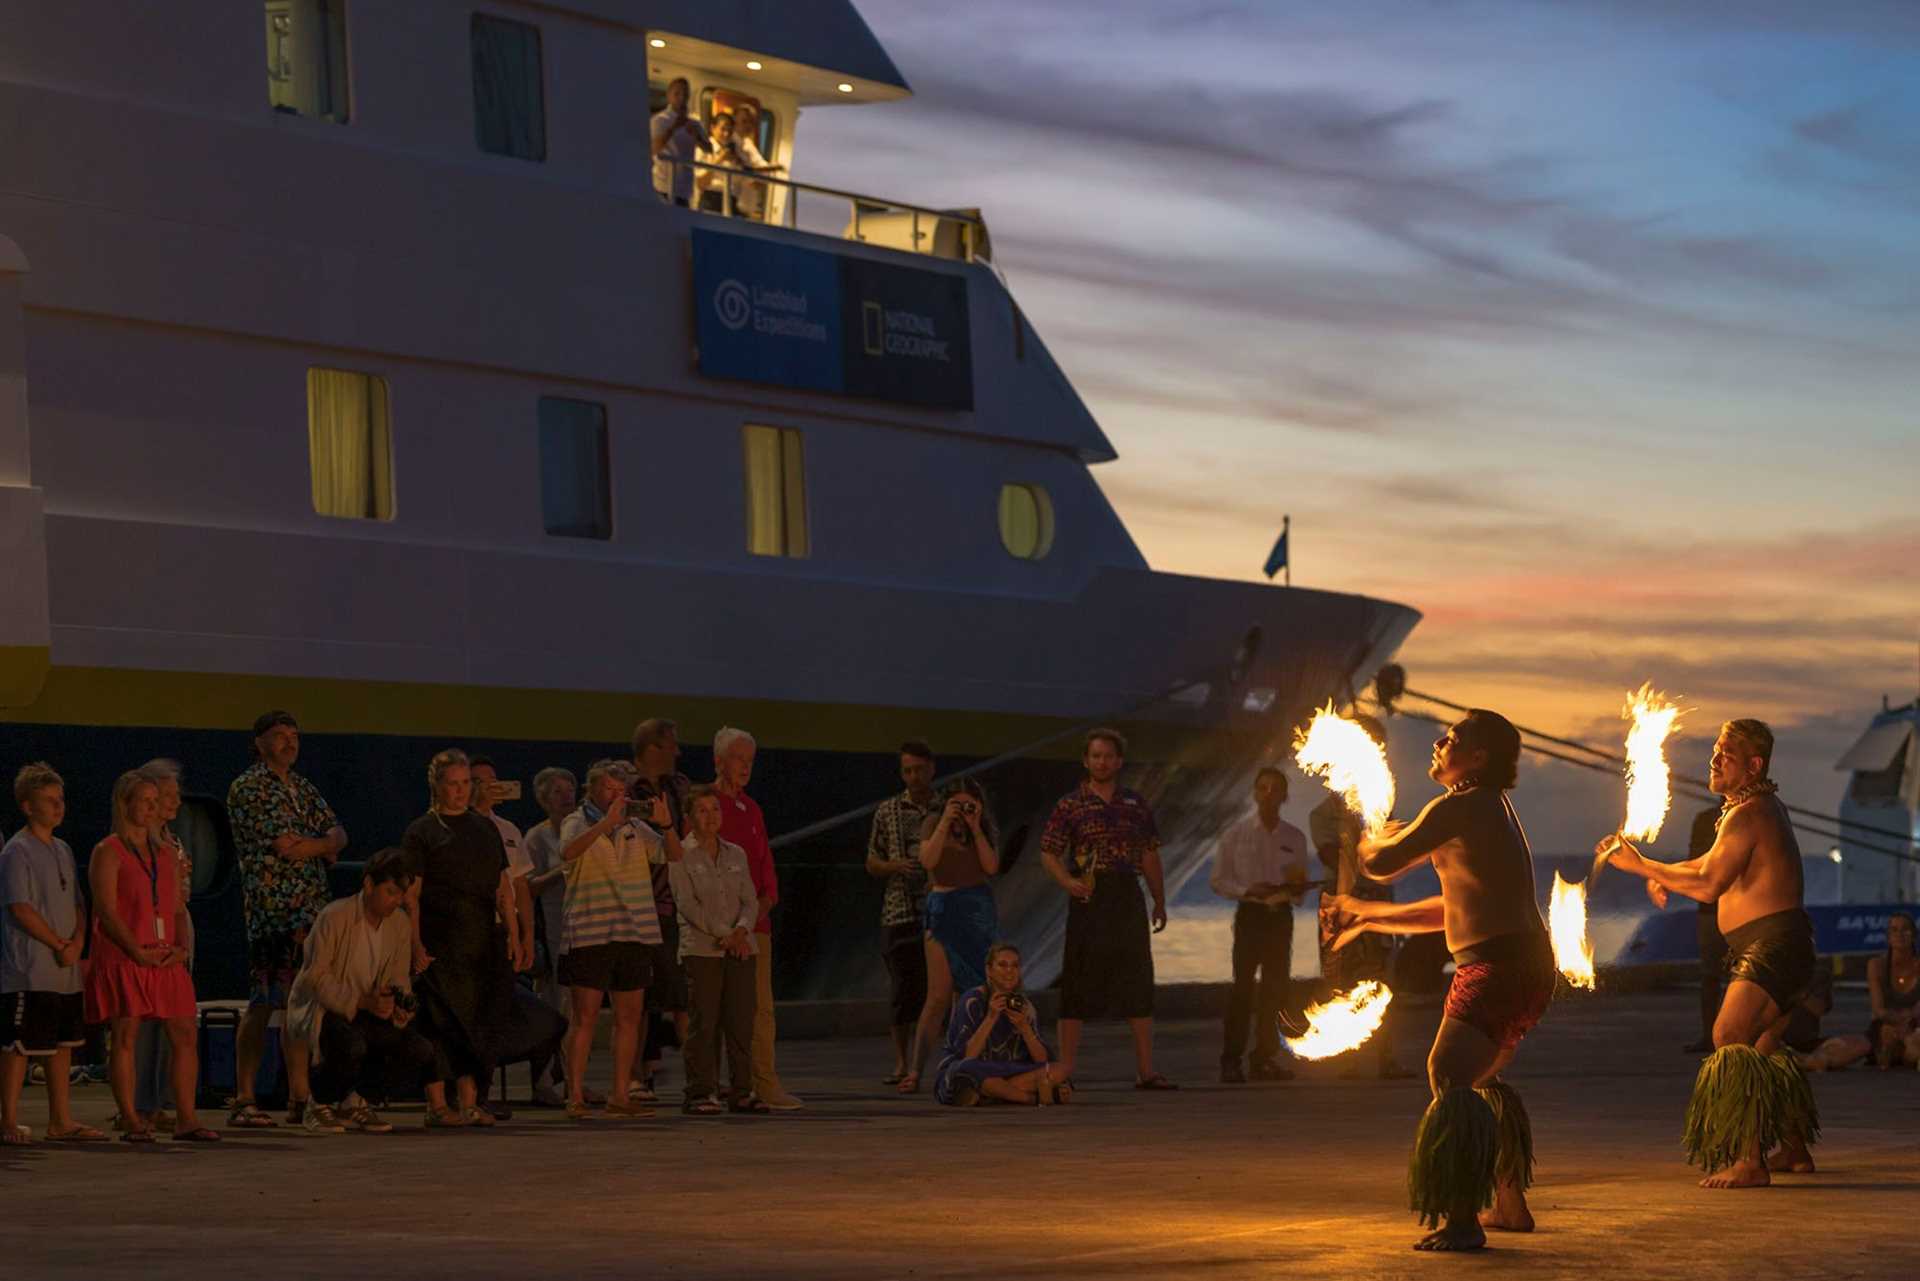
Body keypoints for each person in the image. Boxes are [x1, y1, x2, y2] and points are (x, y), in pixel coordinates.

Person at [1323, 710, 1550, 1251]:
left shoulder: (1463, 805)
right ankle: (1509, 1203)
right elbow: (1450, 910)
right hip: (1519, 964)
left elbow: (1383, 865)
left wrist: (1365, 834)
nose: (1439, 741)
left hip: (1498, 967)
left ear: (1477, 758)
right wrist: (1366, 915)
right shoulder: (1486, 808)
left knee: (1446, 1072)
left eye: (1453, 737)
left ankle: (1464, 1220)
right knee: (1477, 1078)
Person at [1600, 718, 1821, 1187]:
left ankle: (1748, 1160)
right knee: (1763, 1047)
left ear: (1754, 765)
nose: (1715, 759)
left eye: (1727, 754)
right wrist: (1657, 872)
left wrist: (1641, 865)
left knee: (1728, 1033)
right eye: (1716, 750)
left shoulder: (1750, 812)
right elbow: (1705, 866)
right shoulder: (1751, 810)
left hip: (1772, 946)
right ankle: (1794, 1150)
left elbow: (1707, 885)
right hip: (1781, 944)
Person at [224, 710, 346, 1128]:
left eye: (294, 735)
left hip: (312, 911)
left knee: (302, 1004)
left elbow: (338, 835)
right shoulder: (249, 788)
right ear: (259, 742)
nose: (289, 743)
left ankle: (300, 1096)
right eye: (279, 736)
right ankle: (244, 1096)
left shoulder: (303, 787)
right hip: (274, 913)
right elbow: (286, 847)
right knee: (263, 1004)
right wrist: (321, 845)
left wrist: (318, 843)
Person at [85, 771, 220, 1142]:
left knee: (184, 1031)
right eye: (144, 800)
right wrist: (135, 951)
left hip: (164, 957)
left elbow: (177, 907)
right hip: (128, 955)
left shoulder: (165, 853)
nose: (151, 806)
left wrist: (179, 947)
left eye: (153, 800)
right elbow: (106, 910)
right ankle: (130, 1116)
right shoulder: (107, 851)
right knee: (126, 1033)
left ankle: (186, 1118)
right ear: (124, 803)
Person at [1038, 728, 1173, 1089]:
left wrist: (1159, 899)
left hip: (1127, 894)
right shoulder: (1070, 805)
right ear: (1086, 761)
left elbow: (1149, 852)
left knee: (1138, 979)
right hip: (1088, 895)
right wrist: (1067, 882)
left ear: (1120, 761)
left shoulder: (1136, 804)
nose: (1102, 762)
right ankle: (1066, 1069)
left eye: (1109, 756)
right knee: (1078, 979)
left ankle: (1145, 1070)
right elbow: (1048, 851)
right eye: (1096, 756)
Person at [557, 760, 680, 1120]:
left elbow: (673, 855)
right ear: (591, 789)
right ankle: (575, 1095)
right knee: (585, 1017)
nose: (616, 794)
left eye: (620, 789)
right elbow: (567, 853)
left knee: (629, 1016)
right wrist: (605, 824)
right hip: (591, 932)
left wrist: (667, 823)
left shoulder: (635, 827)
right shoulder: (576, 822)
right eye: (609, 788)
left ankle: (620, 1093)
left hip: (632, 931)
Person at [401, 748, 518, 1128]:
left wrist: (513, 934)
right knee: (438, 1025)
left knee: (478, 1023)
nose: (460, 791)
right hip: (439, 943)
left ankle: (470, 1102)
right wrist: (415, 945)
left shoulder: (485, 828)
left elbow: (504, 888)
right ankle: (437, 1105)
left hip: (481, 941)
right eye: (452, 784)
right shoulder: (422, 832)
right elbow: (411, 897)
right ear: (437, 786)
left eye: (466, 783)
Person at [286, 848, 440, 1134]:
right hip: (328, 1010)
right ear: (369, 884)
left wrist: (399, 1006)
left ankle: (357, 1100)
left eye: (400, 895)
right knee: (349, 1044)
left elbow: (397, 976)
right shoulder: (335, 916)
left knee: (419, 1050)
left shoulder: (399, 924)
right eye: (390, 892)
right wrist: (360, 1001)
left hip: (368, 1012)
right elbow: (315, 978)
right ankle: (318, 1102)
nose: (395, 902)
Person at [1, 763, 107, 1144]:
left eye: (60, 799)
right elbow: (20, 907)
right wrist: (58, 944)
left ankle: (60, 1119)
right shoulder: (16, 851)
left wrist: (77, 943)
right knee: (20, 1044)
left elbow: (79, 902)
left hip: (64, 969)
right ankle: (8, 1120)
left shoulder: (62, 849)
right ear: (27, 806)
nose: (59, 807)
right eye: (49, 800)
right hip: (29, 969)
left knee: (62, 1044)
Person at [1311, 714, 1410, 1080]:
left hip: (1379, 898)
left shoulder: (1382, 807)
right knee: (1340, 978)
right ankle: (1347, 1058)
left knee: (1385, 977)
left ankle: (1386, 1057)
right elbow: (1331, 858)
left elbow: (1392, 856)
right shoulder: (1324, 813)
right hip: (1341, 902)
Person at [469, 756, 564, 1119]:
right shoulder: (456, 826)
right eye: (479, 781)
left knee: (497, 1015)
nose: (489, 787)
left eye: (494, 781)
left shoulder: (508, 829)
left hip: (502, 934)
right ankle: (466, 1092)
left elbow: (521, 885)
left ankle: (484, 1091)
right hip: (469, 933)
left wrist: (525, 935)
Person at [713, 726, 802, 1109]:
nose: (746, 767)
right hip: (717, 929)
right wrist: (728, 923)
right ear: (719, 761)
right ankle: (719, 1085)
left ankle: (764, 1084)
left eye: (751, 760)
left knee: (761, 1009)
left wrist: (758, 910)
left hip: (755, 927)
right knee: (719, 1010)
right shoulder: (706, 804)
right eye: (738, 759)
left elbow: (766, 869)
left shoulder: (753, 809)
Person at [897, 780, 1000, 1095]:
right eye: (957, 804)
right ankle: (916, 1070)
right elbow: (927, 861)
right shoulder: (934, 822)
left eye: (969, 804)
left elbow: (991, 866)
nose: (963, 810)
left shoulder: (981, 827)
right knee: (938, 994)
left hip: (976, 909)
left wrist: (975, 825)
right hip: (943, 907)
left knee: (971, 993)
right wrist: (945, 820)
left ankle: (961, 1064)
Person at [1210, 767, 1309, 1084]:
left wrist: (1292, 890)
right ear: (1254, 793)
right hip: (1250, 915)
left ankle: (1264, 1058)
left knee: (1275, 990)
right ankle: (1231, 1060)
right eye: (1262, 788)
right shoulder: (1235, 834)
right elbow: (1219, 880)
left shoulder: (1295, 837)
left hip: (1280, 916)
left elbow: (1299, 883)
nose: (1268, 794)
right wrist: (1248, 890)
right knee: (1242, 989)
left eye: (1275, 789)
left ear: (1284, 796)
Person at [668, 786, 761, 1115]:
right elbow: (687, 904)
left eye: (715, 810)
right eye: (703, 810)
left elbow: (750, 899)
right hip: (703, 950)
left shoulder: (736, 853)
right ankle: (700, 1092)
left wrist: (741, 932)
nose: (711, 816)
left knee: (740, 1022)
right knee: (704, 1022)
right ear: (690, 817)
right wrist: (724, 934)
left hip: (740, 950)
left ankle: (742, 1091)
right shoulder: (679, 854)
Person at [126, 758, 196, 1132]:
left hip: (177, 930)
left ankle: (167, 1100)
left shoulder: (173, 841)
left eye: (176, 794)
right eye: (167, 795)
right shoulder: (135, 842)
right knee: (143, 1024)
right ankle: (141, 1103)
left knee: (175, 1021)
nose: (176, 801)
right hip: (149, 937)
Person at [866, 740, 937, 1084]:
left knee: (937, 988)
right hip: (898, 911)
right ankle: (900, 1061)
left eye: (919, 769)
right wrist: (895, 865)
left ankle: (930, 1059)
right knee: (901, 989)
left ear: (931, 769)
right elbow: (871, 861)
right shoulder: (887, 810)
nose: (913, 776)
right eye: (907, 770)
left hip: (939, 910)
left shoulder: (946, 807)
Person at [630, 718, 693, 1102]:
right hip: (639, 904)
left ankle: (698, 1077)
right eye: (672, 745)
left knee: (681, 994)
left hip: (675, 905)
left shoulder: (679, 787)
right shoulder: (627, 788)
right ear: (654, 748)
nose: (678, 752)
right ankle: (636, 1075)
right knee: (637, 996)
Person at [934, 941, 1066, 1107]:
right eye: (1002, 965)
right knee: (965, 1072)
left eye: (1015, 966)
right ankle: (1030, 1098)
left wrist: (1025, 1028)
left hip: (1007, 1072)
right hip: (975, 1070)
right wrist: (991, 1017)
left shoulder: (1024, 1006)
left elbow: (1041, 1060)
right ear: (989, 970)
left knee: (1059, 1070)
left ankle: (993, 1094)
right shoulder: (972, 1000)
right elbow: (967, 1057)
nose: (1009, 971)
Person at [524, 766, 580, 1104]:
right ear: (544, 800)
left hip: (583, 930)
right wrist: (562, 870)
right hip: (553, 929)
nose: (566, 797)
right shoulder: (536, 838)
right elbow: (527, 887)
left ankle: (575, 1081)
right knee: (553, 1007)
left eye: (569, 789)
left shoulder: (585, 831)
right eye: (557, 792)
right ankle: (544, 1081)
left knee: (579, 1010)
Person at [1802, 912, 1917, 1071]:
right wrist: (1896, 1023)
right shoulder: (1876, 965)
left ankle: (1900, 1054)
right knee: (1849, 1048)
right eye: (1894, 930)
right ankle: (1799, 1060)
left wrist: (1907, 1026)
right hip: (1884, 1027)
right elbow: (1878, 1010)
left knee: (1914, 1044)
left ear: (1914, 935)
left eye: (1906, 929)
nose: (1900, 934)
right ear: (1888, 937)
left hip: (1914, 1027)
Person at [1674, 805, 1727, 1054]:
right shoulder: (1706, 820)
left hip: (1736, 908)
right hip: (1711, 909)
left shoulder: (1753, 816)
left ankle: (1727, 1034)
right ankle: (1710, 1035)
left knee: (1733, 976)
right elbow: (1697, 860)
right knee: (1711, 976)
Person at [650, 76, 709, 206]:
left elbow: (709, 149)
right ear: (669, 95)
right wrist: (674, 128)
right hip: (662, 187)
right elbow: (654, 149)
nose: (681, 98)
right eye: (677, 94)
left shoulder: (695, 122)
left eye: (685, 94)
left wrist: (696, 136)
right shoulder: (659, 120)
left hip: (685, 190)